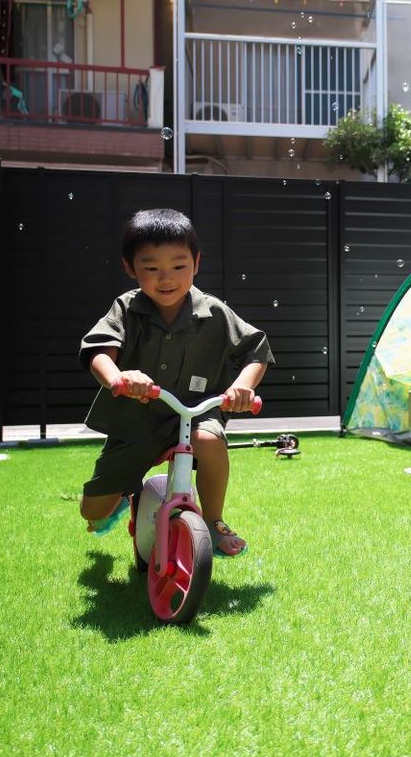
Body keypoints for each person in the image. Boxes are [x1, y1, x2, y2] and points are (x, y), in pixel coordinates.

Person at [77, 208, 273, 556]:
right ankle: (125, 497)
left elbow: (255, 351)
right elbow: (98, 353)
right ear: (130, 268)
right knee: (92, 513)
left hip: (197, 413)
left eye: (179, 266)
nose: (166, 278)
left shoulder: (214, 312)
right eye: (151, 268)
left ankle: (213, 521)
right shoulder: (126, 308)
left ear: (196, 263)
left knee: (208, 438)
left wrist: (243, 386)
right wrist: (119, 377)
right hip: (136, 420)